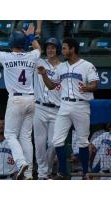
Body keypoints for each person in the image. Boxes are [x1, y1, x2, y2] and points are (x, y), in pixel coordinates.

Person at [0, 23, 41, 179]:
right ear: (24, 44)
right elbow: (39, 49)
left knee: (10, 135)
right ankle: (28, 174)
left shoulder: (7, 56)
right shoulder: (32, 55)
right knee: (25, 137)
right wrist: (31, 36)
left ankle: (21, 162)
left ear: (11, 44)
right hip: (31, 99)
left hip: (16, 99)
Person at [38, 38, 99, 179]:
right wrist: (44, 75)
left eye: (65, 48)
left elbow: (95, 84)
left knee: (83, 140)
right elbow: (51, 86)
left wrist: (87, 87)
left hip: (81, 105)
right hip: (64, 105)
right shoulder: (61, 67)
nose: (62, 50)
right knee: (57, 140)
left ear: (73, 49)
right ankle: (63, 172)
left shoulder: (87, 65)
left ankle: (85, 172)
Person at [33, 37, 62, 180]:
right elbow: (36, 49)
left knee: (53, 142)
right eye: (48, 47)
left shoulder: (63, 68)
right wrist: (32, 37)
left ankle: (48, 169)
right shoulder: (39, 62)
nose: (50, 50)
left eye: (53, 47)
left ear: (58, 49)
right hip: (39, 107)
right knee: (39, 143)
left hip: (56, 109)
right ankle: (42, 173)